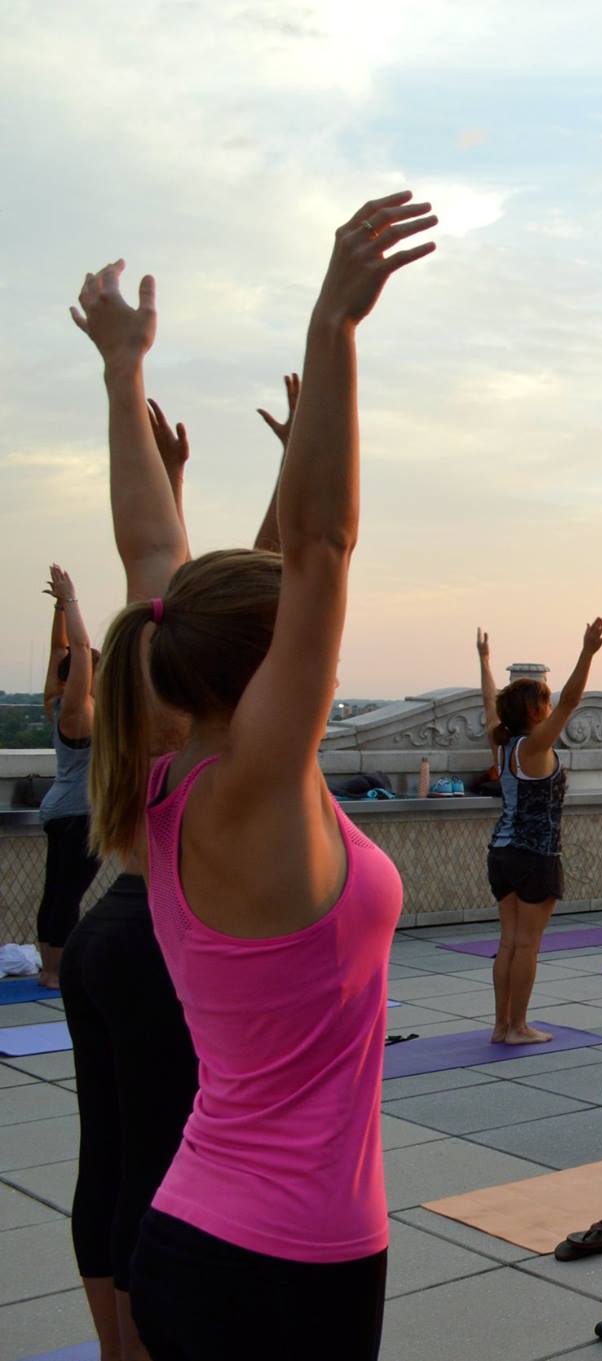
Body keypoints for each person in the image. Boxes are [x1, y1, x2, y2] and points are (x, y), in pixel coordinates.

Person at [87, 192, 435, 1360]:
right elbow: (324, 548)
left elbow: (153, 558)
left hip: (195, 1235)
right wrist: (330, 328)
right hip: (288, 1265)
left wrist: (122, 375)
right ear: (264, 666)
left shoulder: (165, 777)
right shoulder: (252, 790)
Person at [59, 261, 204, 1361]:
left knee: (107, 1147)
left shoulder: (151, 717)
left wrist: (123, 372)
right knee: (153, 1156)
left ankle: (116, 1347)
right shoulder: (225, 752)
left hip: (114, 924)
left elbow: (157, 569)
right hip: (158, 951)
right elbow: (180, 578)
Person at [477, 616, 602, 1044]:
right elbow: (570, 701)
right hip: (535, 855)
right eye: (545, 705)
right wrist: (587, 652)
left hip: (502, 851)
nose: (552, 709)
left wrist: (484, 662)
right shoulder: (533, 746)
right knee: (527, 945)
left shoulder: (504, 743)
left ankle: (501, 1026)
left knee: (508, 941)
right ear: (536, 712)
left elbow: (488, 704)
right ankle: (517, 1026)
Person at [39, 565, 99, 989]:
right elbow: (76, 648)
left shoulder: (55, 701)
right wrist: (73, 599)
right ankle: (54, 972)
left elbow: (60, 650)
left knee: (58, 889)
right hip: (79, 810)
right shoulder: (78, 711)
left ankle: (50, 969)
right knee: (67, 894)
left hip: (63, 806)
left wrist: (59, 608)